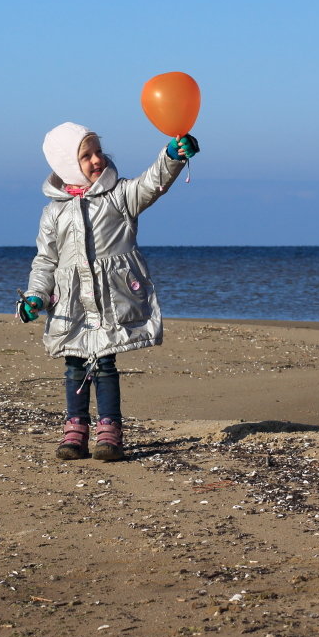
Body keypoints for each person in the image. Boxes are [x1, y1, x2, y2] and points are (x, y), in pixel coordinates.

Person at [18, 121, 199, 461]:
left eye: (98, 151)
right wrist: (35, 297)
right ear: (66, 164)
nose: (96, 160)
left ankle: (110, 430)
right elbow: (45, 261)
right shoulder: (53, 213)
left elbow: (151, 184)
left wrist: (172, 156)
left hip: (110, 297)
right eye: (85, 155)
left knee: (104, 361)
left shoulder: (118, 197)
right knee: (74, 362)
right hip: (71, 301)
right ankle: (75, 429)